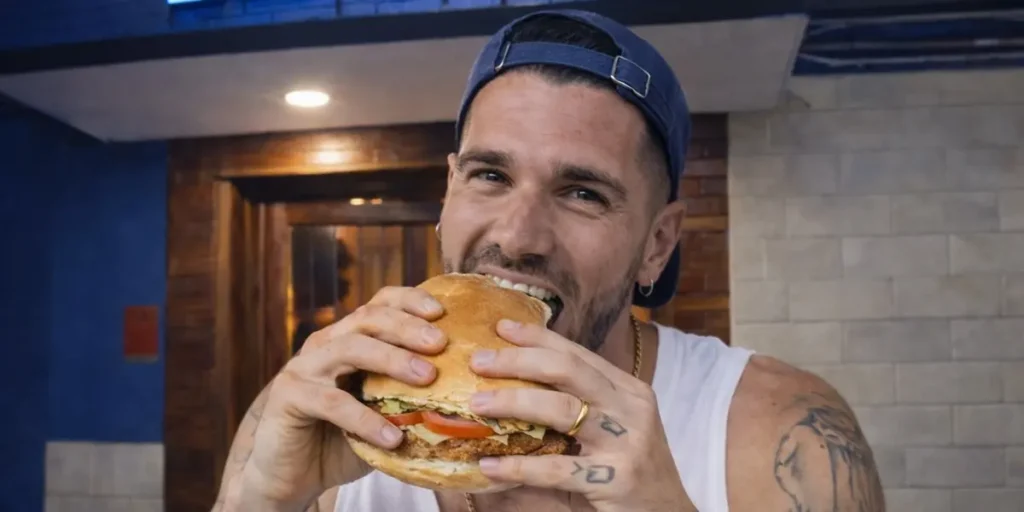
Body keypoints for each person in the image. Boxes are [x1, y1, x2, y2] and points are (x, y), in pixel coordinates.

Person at [211, 9, 885, 512]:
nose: (520, 234)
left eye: (583, 192)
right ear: (448, 191)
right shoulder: (323, 410)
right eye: (490, 176)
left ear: (657, 243)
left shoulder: (776, 430)